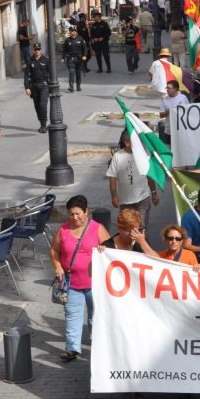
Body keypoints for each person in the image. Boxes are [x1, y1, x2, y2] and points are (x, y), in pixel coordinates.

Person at [50, 195, 110, 363]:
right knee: (72, 316)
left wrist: (104, 249)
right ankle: (72, 348)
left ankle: (97, 345)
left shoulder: (97, 228)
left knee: (95, 317)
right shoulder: (63, 230)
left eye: (78, 214)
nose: (74, 218)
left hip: (95, 284)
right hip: (72, 283)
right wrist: (58, 266)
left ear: (86, 212)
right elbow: (54, 250)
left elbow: (111, 250)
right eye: (71, 214)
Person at [107, 130, 159, 229]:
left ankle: (142, 243)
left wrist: (154, 192)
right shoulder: (117, 157)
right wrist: (114, 196)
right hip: (126, 201)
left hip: (143, 197)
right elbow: (112, 178)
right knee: (128, 228)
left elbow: (149, 175)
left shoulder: (143, 155)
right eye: (136, 141)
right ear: (126, 142)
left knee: (141, 227)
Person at [25, 43, 50, 133]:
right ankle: (41, 123)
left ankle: (44, 125)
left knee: (42, 105)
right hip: (34, 86)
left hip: (44, 85)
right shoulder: (29, 60)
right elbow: (26, 75)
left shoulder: (46, 60)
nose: (37, 51)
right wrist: (27, 87)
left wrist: (50, 86)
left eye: (38, 49)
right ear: (33, 50)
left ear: (41, 50)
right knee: (37, 106)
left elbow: (51, 73)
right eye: (35, 49)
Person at [61, 27, 88, 92]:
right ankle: (71, 86)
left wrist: (84, 55)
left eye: (73, 31)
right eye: (71, 31)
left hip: (79, 59)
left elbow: (85, 48)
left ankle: (78, 86)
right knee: (71, 72)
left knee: (78, 72)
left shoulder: (80, 39)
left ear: (76, 32)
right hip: (70, 58)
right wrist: (63, 58)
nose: (72, 32)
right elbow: (64, 50)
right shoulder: (67, 40)